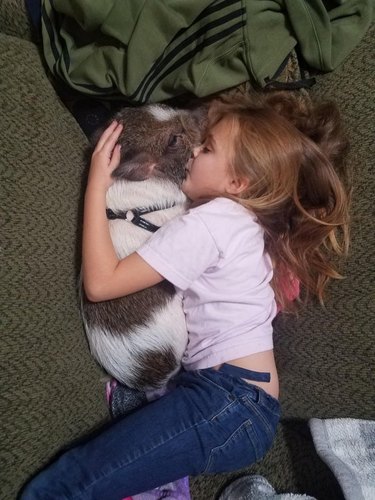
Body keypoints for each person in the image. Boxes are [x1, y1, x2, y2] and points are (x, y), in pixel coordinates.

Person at [20, 91, 349, 499]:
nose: (194, 150)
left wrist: (97, 185)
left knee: (72, 482)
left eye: (207, 148)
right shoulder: (247, 225)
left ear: (237, 182)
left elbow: (101, 284)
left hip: (228, 405)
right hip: (236, 403)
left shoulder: (210, 223)